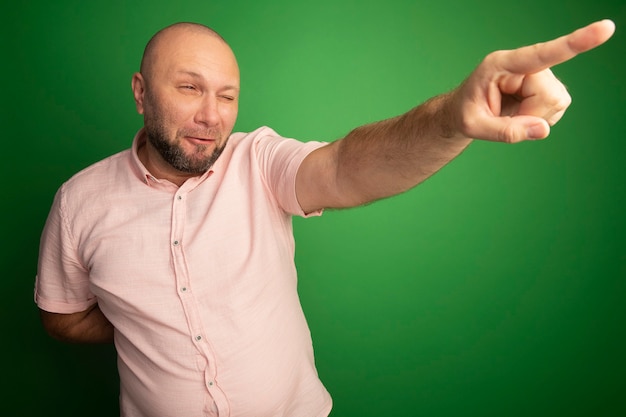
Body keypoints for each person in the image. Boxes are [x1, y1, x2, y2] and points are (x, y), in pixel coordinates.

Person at [35, 19, 615, 417]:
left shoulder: (257, 159)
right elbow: (62, 315)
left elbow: (345, 168)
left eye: (228, 96)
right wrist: (142, 319)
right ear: (141, 92)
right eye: (189, 88)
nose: (212, 116)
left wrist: (452, 119)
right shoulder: (80, 201)